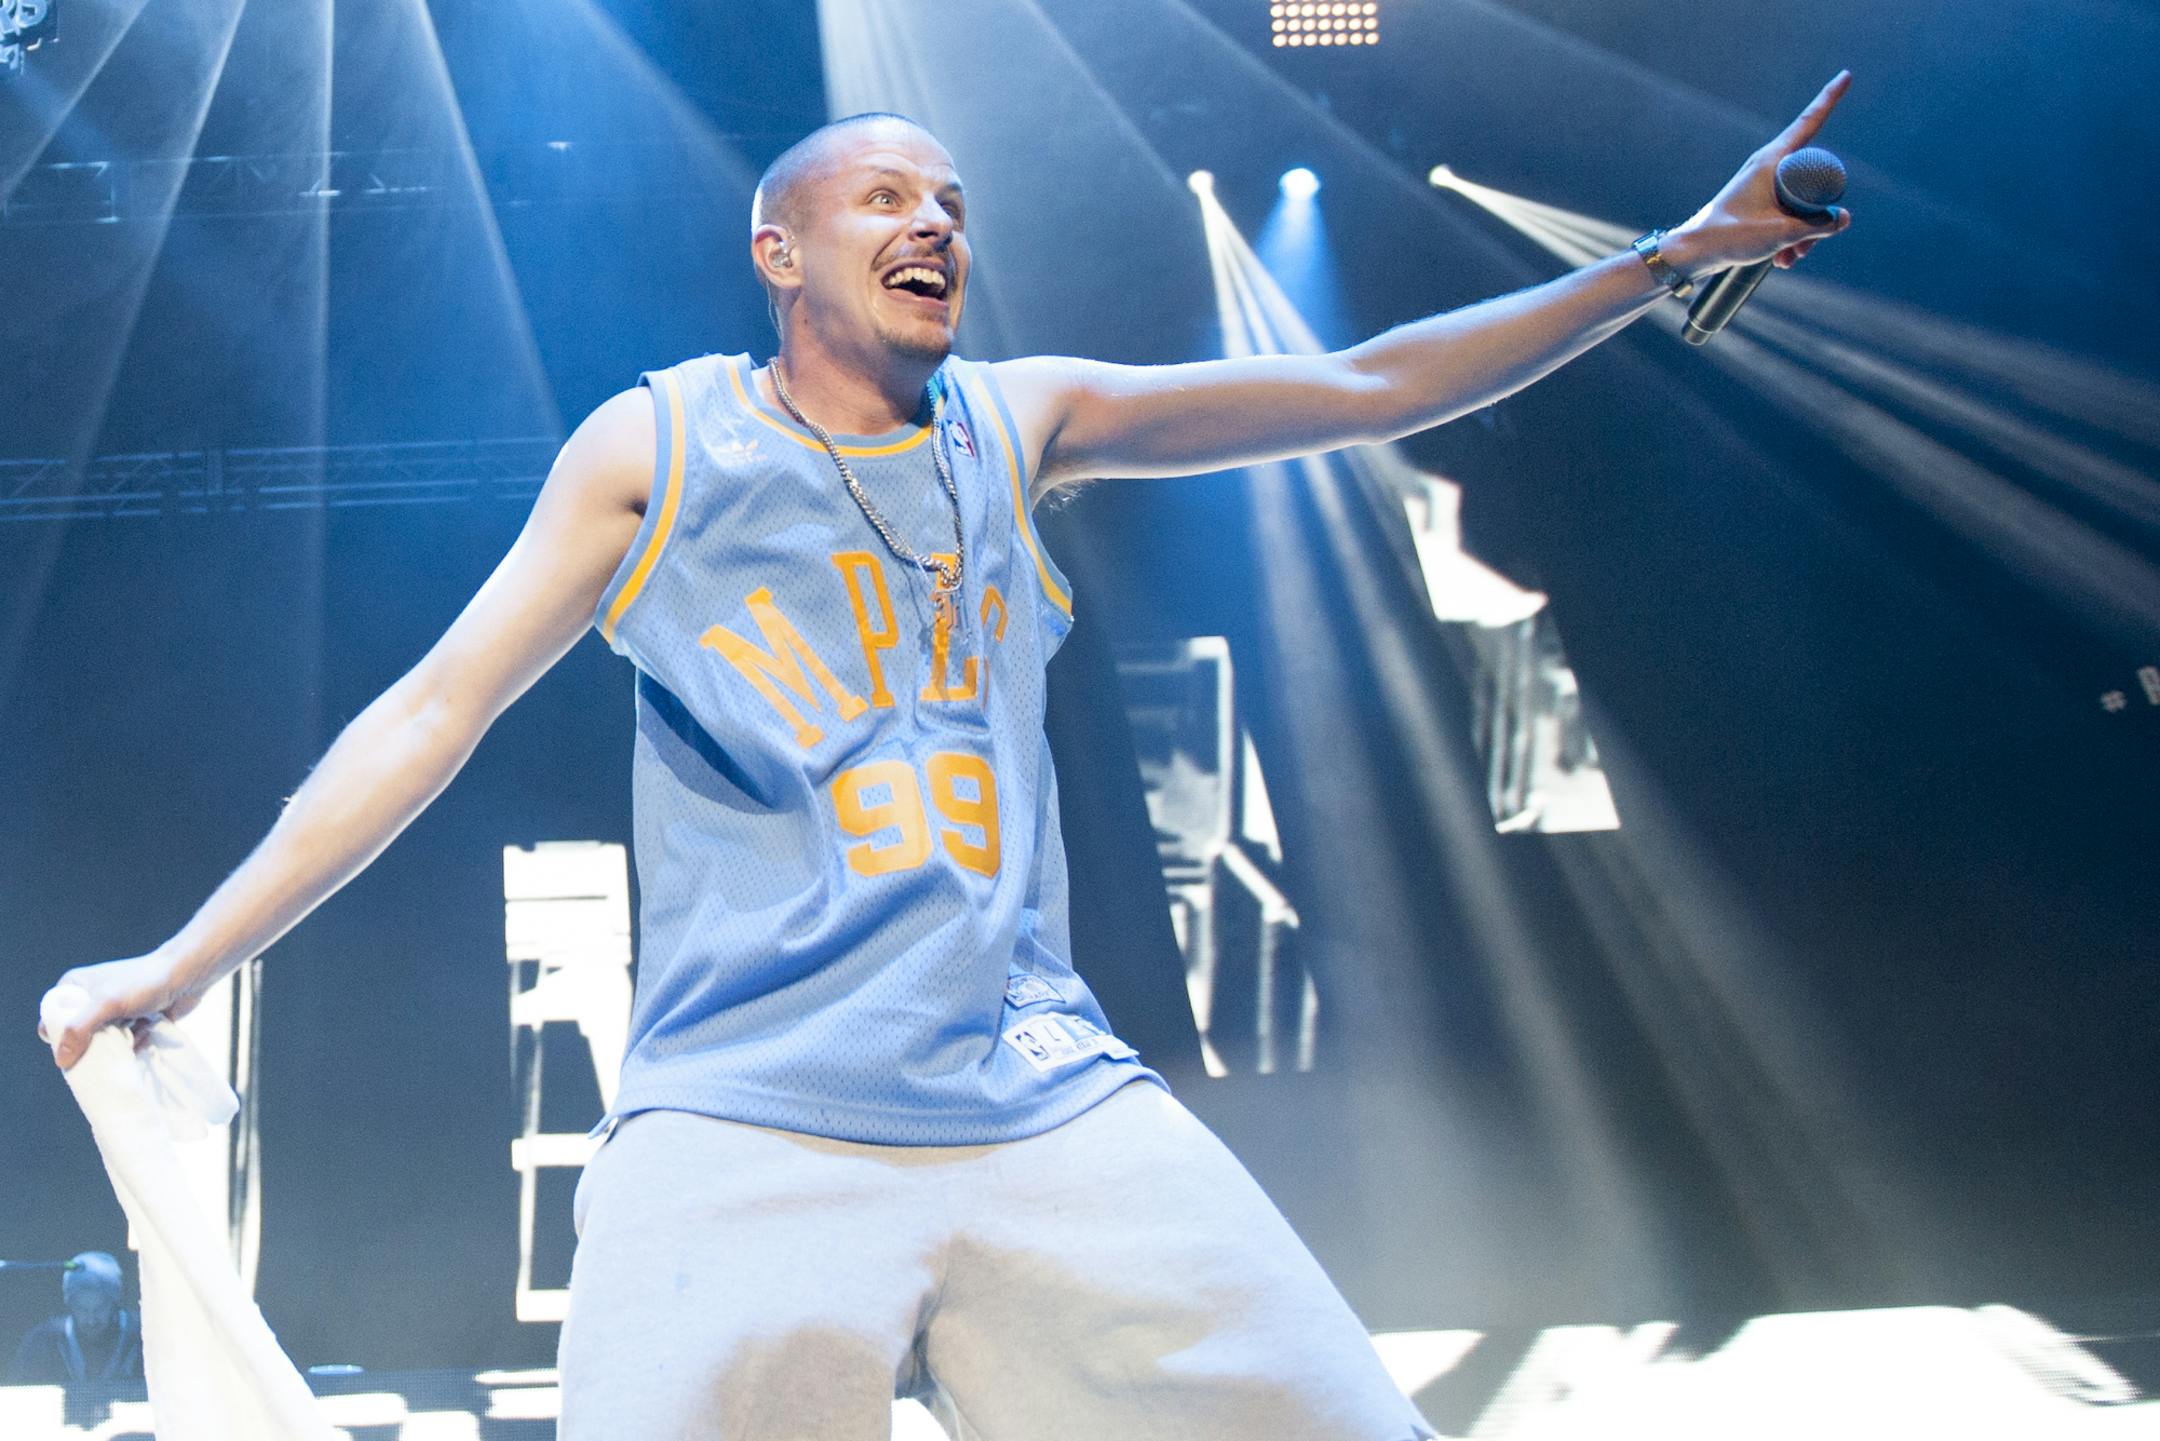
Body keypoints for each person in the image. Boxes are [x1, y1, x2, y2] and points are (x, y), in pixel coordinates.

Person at [40, 75, 1853, 1439]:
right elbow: (432, 711)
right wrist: (185, 961)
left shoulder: (1021, 420)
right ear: (781, 252)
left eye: (955, 202)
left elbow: (1373, 384)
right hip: (744, 1116)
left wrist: (1666, 259)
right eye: (886, 195)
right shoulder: (656, 448)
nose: (936, 224)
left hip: (1044, 1098)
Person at [8, 1252, 143, 1386]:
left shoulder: (143, 1337)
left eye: (100, 1309)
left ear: (115, 1304)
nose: (91, 1320)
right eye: (82, 1309)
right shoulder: (43, 1342)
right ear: (69, 1305)